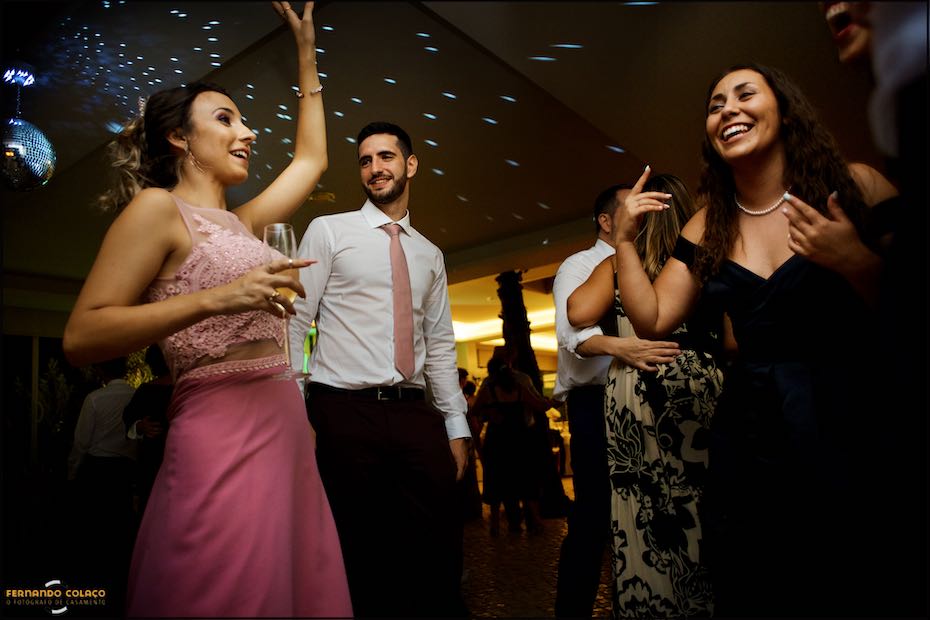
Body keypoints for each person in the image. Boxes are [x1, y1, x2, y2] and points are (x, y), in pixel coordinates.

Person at [61, 3, 352, 617]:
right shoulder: (157, 211)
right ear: (179, 138)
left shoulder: (244, 225)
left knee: (289, 585)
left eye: (245, 121)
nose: (247, 133)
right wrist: (219, 298)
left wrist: (305, 51)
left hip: (284, 421)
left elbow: (311, 161)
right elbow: (83, 335)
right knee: (219, 586)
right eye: (227, 119)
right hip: (217, 424)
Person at [610, 63, 898, 616]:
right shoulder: (708, 224)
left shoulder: (856, 187)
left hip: (849, 411)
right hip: (750, 428)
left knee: (854, 569)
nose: (728, 110)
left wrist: (856, 261)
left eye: (745, 95)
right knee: (756, 577)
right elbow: (654, 318)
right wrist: (625, 241)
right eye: (716, 105)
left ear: (785, 112)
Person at [289, 121, 470, 617]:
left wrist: (455, 426)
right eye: (366, 160)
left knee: (437, 542)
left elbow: (439, 344)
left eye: (386, 157)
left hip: (413, 413)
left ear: (410, 165)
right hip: (342, 412)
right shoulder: (329, 231)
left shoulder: (430, 253)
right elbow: (295, 320)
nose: (375, 168)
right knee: (358, 549)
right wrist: (293, 409)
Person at [567, 174, 724, 618]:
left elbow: (577, 311)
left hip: (635, 388)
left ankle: (650, 602)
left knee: (640, 501)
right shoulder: (707, 255)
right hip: (695, 381)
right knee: (700, 493)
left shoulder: (619, 262)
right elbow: (732, 338)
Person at [552, 184, 681, 617]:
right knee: (593, 519)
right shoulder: (582, 265)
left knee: (645, 513)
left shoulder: (658, 263)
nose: (641, 215)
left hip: (650, 404)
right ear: (607, 221)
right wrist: (623, 349)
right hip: (595, 404)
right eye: (630, 209)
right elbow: (572, 336)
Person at [67, 357, 138, 612]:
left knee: (95, 529)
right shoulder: (136, 396)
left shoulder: (95, 398)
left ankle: (95, 587)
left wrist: (73, 471)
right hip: (127, 470)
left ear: (100, 370)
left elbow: (82, 441)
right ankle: (119, 583)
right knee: (121, 528)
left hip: (98, 469)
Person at [469, 355, 550, 535]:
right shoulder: (520, 388)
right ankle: (535, 521)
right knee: (526, 480)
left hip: (497, 441)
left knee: (497, 482)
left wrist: (489, 413)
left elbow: (474, 411)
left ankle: (495, 525)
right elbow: (539, 405)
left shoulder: (488, 390)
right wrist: (554, 400)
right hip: (520, 441)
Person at [122, 345, 172, 516]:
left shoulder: (147, 391)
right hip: (168, 456)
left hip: (154, 457)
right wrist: (140, 426)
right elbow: (130, 420)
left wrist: (139, 426)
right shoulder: (185, 389)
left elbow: (129, 418)